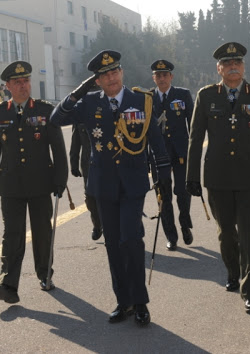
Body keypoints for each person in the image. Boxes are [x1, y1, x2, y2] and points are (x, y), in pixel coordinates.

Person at [51, 50, 171, 326]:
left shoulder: (141, 100)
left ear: (122, 73)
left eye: (114, 71)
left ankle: (140, 301)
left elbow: (155, 140)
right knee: (113, 245)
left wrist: (163, 175)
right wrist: (79, 91)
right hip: (103, 184)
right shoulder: (89, 102)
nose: (111, 77)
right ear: (97, 81)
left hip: (133, 182)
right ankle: (124, 301)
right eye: (104, 75)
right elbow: (57, 119)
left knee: (131, 238)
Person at [186, 42, 250, 314]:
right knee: (227, 234)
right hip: (217, 178)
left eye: (237, 63)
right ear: (219, 69)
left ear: (243, 67)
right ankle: (232, 271)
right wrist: (192, 176)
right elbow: (195, 139)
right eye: (227, 64)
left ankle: (249, 289)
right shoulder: (206, 97)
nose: (233, 67)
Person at [0, 61, 68, 304]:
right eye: (18, 82)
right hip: (11, 184)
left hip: (41, 182)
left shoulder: (44, 110)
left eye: (26, 81)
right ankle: (8, 284)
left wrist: (60, 180)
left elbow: (58, 149)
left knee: (42, 232)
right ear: (8, 86)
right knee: (12, 234)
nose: (23, 86)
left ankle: (45, 275)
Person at [150, 59, 194, 251]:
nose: (162, 78)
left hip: (181, 153)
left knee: (182, 193)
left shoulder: (182, 95)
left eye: (165, 75)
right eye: (158, 75)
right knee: (163, 194)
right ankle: (171, 235)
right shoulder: (146, 98)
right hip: (159, 155)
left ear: (171, 76)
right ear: (154, 78)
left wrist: (194, 151)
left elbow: (193, 125)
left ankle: (185, 224)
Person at [70, 121, 103, 240]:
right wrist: (73, 163)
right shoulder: (80, 111)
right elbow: (75, 141)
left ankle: (110, 230)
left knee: (107, 197)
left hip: (108, 163)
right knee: (90, 198)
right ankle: (97, 225)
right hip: (88, 164)